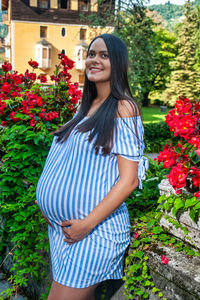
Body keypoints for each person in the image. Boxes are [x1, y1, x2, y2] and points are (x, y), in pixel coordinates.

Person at [36, 33, 149, 300]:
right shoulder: (85, 107)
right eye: (91, 54)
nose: (93, 60)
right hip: (65, 231)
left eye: (104, 55)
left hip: (93, 233)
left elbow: (129, 180)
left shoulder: (124, 108)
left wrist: (86, 225)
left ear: (118, 62)